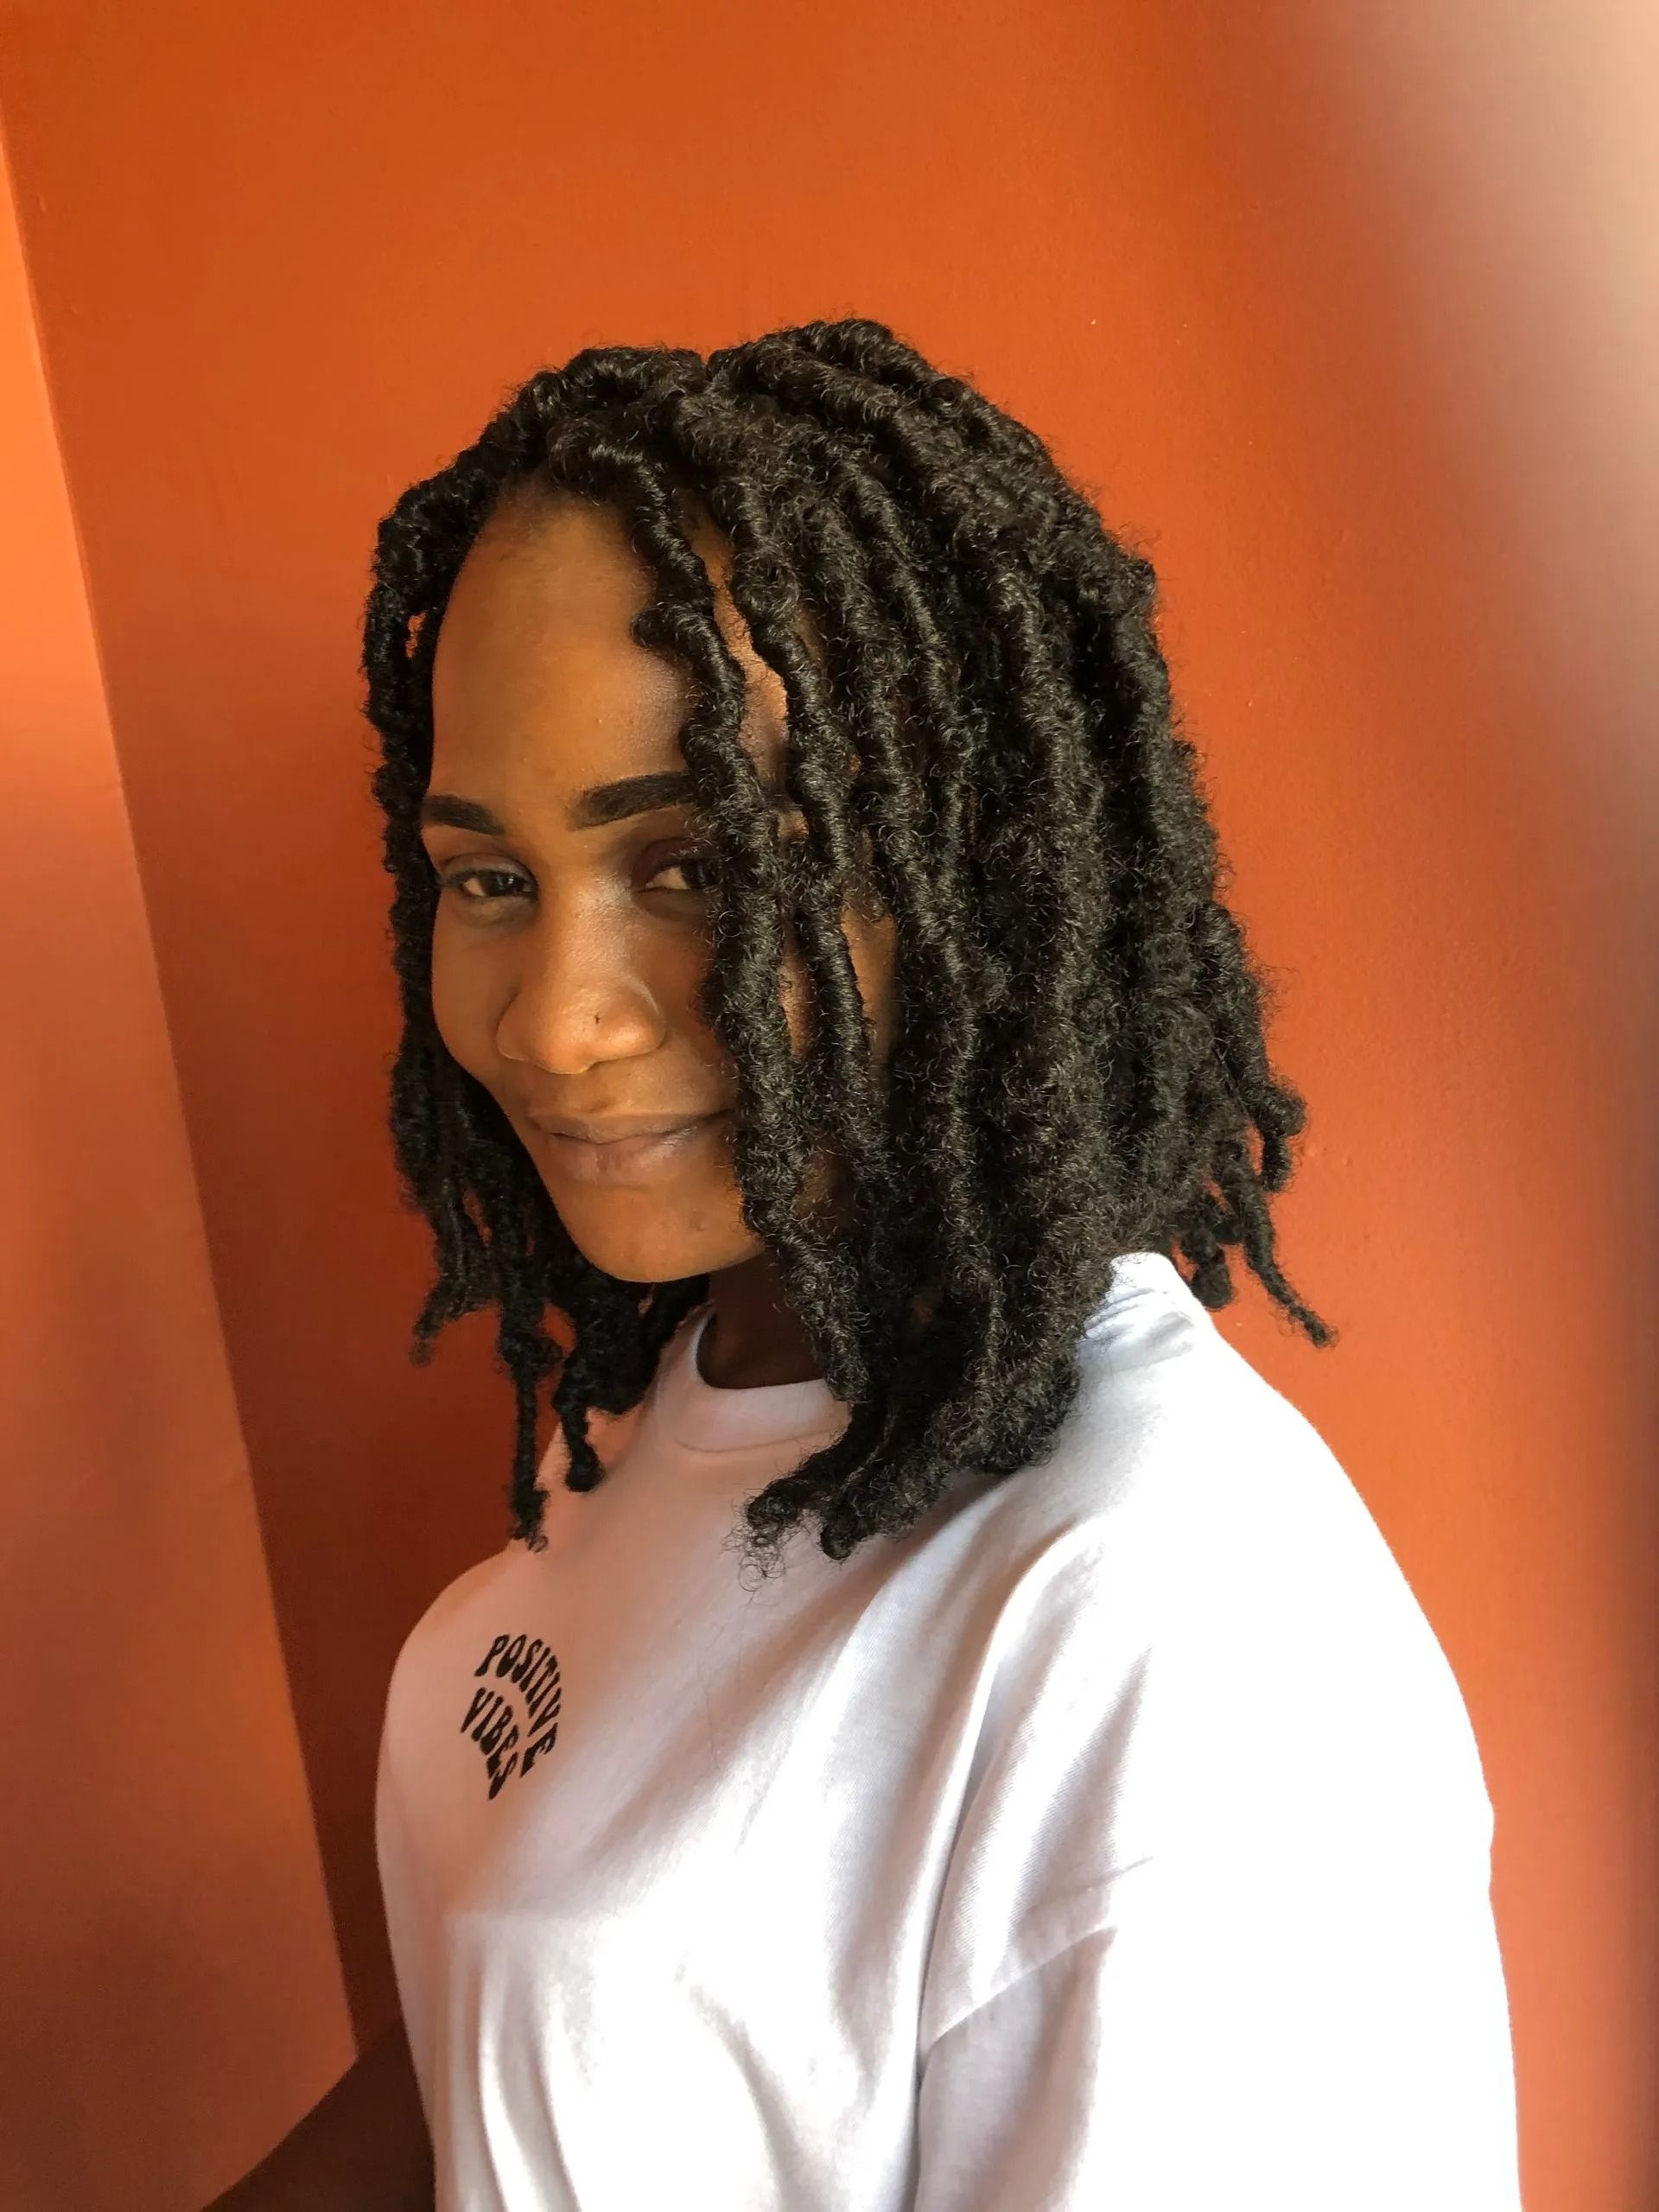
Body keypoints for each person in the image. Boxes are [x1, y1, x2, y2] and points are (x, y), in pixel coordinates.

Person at [208, 318, 1522, 2209]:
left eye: (700, 866)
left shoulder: (1162, 1629)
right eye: (488, 877)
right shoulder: (698, 1393)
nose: (557, 1022)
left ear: (974, 869)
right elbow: (488, 2072)